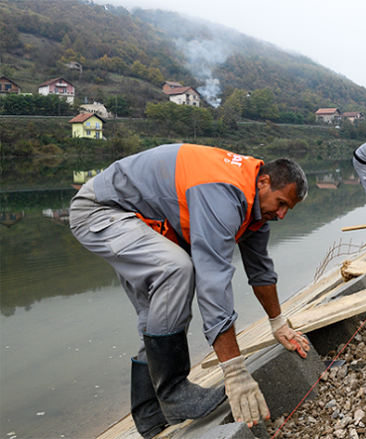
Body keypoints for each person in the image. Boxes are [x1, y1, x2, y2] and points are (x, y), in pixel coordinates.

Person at [69, 143, 311, 438]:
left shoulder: (256, 210)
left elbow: (260, 271)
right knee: (176, 269)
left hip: (138, 219)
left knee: (157, 313)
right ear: (264, 182)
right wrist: (234, 371)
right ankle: (174, 393)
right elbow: (213, 278)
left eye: (288, 208)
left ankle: (150, 416)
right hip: (102, 211)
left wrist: (278, 324)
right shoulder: (223, 191)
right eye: (281, 202)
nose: (282, 214)